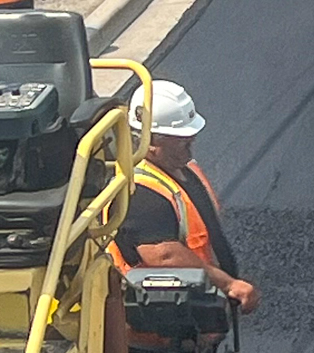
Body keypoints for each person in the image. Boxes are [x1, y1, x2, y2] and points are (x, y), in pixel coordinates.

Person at [111, 81, 259, 314]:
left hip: (193, 311)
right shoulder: (140, 193)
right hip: (158, 326)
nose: (191, 148)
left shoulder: (178, 168)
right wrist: (228, 284)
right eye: (182, 142)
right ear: (152, 143)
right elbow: (165, 256)